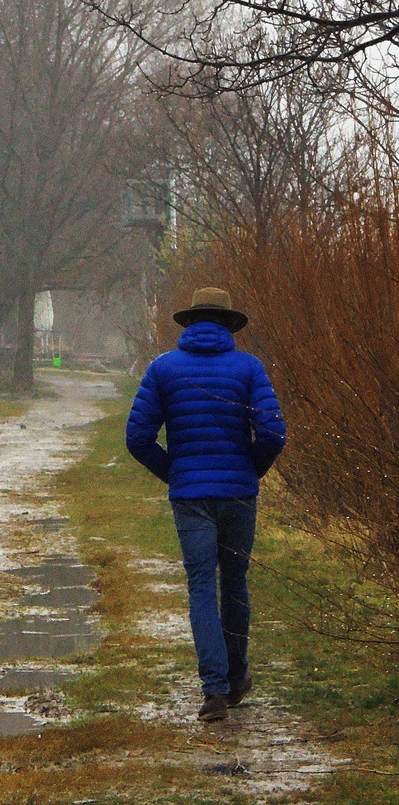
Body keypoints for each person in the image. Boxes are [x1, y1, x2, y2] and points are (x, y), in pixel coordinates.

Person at [126, 287, 286, 721]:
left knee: (201, 586)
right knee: (234, 582)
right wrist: (251, 471)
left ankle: (213, 691)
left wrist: (174, 472)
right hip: (238, 494)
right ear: (228, 325)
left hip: (191, 498)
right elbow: (273, 433)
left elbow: (138, 438)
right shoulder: (249, 368)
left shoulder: (163, 369)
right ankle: (237, 679)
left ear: (190, 324)